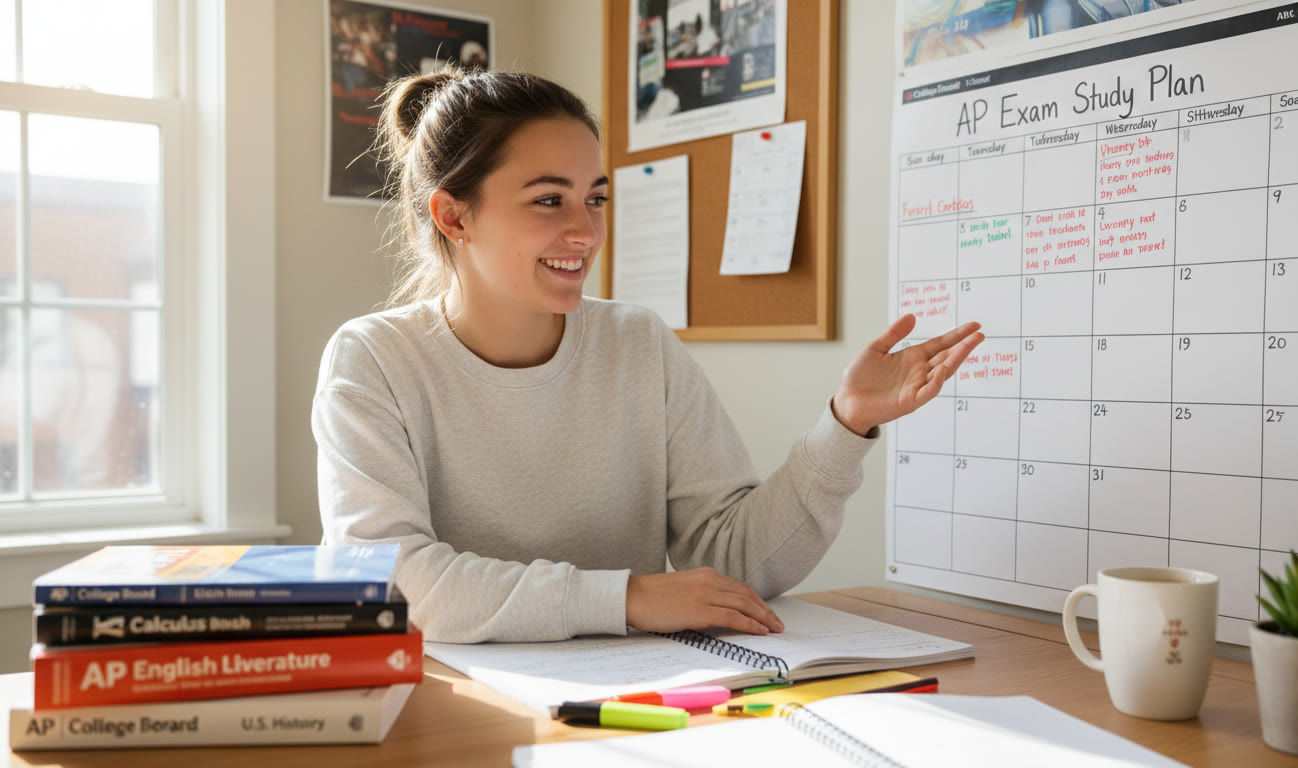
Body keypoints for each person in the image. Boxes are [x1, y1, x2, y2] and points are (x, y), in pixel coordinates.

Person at [313, 65, 984, 644]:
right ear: (453, 217)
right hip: (455, 714)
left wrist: (846, 422)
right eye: (549, 200)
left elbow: (738, 562)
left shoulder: (639, 344)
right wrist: (628, 598)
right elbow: (390, 578)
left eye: (595, 198)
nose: (585, 230)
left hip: (636, 694)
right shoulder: (372, 360)